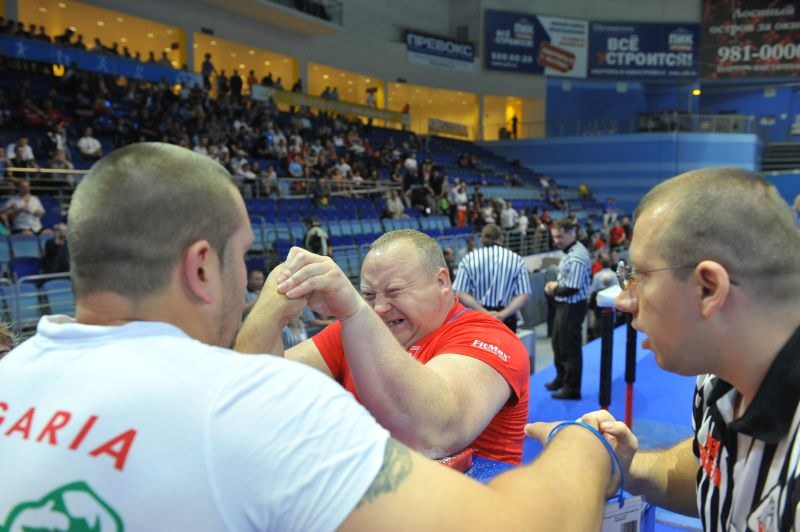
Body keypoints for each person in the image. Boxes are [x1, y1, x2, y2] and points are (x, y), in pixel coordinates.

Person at [0, 142, 621, 530]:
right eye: (244, 260)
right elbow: (524, 523)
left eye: (392, 293)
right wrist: (583, 448)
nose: (250, 280)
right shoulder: (254, 409)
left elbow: (440, 420)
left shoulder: (13, 372)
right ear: (199, 268)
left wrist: (346, 311)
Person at [585, 167, 800, 530]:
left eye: (640, 276)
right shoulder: (716, 376)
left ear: (708, 289)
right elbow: (714, 471)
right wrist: (629, 468)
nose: (623, 300)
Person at [261, 229, 530, 464]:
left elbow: (436, 432)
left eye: (394, 291)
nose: (379, 307)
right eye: (367, 295)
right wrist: (273, 307)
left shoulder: (489, 336)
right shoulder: (355, 330)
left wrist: (355, 310)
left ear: (442, 282)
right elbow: (258, 386)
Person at [544, 218, 591, 399]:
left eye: (559, 237)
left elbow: (573, 288)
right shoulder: (569, 251)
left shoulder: (577, 255)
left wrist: (553, 288)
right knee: (557, 343)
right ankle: (561, 378)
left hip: (573, 306)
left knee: (569, 348)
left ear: (571, 233)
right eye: (554, 237)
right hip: (564, 304)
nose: (556, 241)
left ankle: (572, 388)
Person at [453, 224, 531, 333]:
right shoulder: (516, 259)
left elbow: (460, 294)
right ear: (501, 238)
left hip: (479, 316)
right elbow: (524, 295)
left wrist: (485, 313)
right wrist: (501, 315)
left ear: (482, 239)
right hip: (507, 317)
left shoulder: (469, 259)